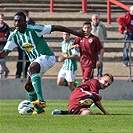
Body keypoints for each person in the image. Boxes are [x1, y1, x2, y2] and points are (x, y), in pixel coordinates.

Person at [0, 12, 85, 114]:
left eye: (20, 21)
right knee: (28, 86)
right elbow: (4, 53)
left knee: (32, 68)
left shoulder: (34, 29)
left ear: (25, 22)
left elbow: (55, 27)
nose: (17, 23)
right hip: (35, 63)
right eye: (15, 21)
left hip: (47, 57)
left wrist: (75, 32)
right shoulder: (14, 36)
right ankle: (40, 111)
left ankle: (41, 100)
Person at [16, 10, 35, 78]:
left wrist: (28, 22)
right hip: (21, 42)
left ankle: (25, 74)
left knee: (28, 59)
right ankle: (18, 73)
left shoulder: (31, 21)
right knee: (20, 58)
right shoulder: (19, 21)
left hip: (28, 44)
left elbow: (33, 29)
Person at [91, 14, 107, 78]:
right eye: (94, 19)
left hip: (100, 46)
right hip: (92, 47)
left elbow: (105, 34)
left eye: (96, 18)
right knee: (91, 61)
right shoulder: (90, 26)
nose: (95, 20)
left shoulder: (102, 26)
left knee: (100, 60)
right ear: (92, 20)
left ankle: (99, 74)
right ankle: (91, 74)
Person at [0, 13, 10, 78]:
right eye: (0, 18)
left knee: (2, 59)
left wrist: (4, 38)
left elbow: (8, 35)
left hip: (3, 45)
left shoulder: (6, 26)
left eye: (2, 18)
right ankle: (1, 71)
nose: (1, 19)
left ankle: (5, 70)